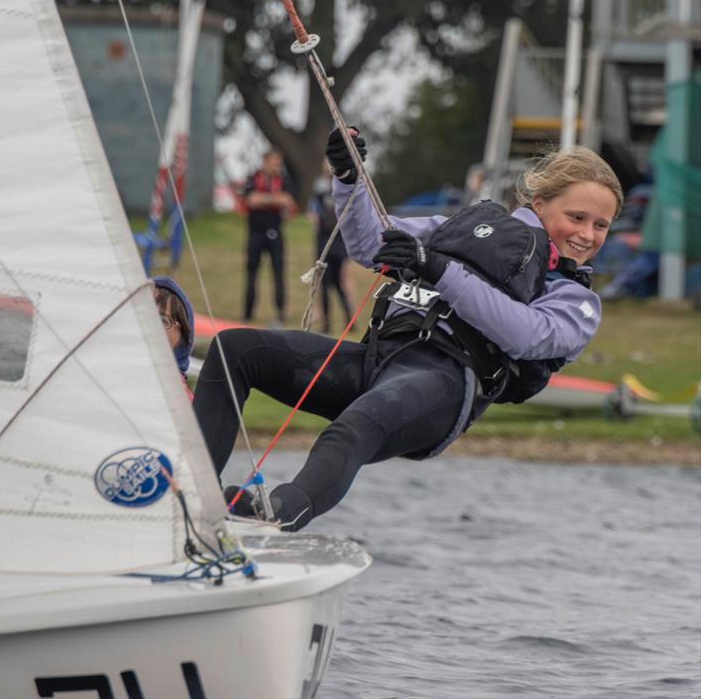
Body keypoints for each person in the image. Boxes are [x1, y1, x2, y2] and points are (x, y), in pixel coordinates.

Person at [193, 128, 622, 531]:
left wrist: (436, 268)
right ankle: (194, 500)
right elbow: (367, 243)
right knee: (236, 349)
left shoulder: (578, 302)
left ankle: (279, 513)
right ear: (540, 203)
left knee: (352, 426)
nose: (587, 235)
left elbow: (525, 335)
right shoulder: (462, 230)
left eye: (600, 225)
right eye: (577, 217)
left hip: (444, 387)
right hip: (378, 362)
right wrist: (348, 177)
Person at [241, 148, 297, 326]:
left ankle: (280, 313)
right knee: (251, 273)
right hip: (255, 233)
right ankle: (247, 313)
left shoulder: (284, 180)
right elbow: (250, 200)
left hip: (275, 232)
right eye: (274, 162)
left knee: (278, 273)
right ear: (265, 161)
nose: (277, 166)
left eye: (279, 163)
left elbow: (288, 201)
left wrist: (263, 200)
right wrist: (274, 200)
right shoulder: (253, 178)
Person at [308, 161, 354, 332]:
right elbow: (313, 213)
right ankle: (327, 323)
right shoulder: (320, 193)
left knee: (340, 282)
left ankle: (349, 320)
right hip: (324, 241)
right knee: (325, 283)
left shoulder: (344, 192)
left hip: (339, 241)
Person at [153, 275, 195, 400]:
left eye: (162, 321)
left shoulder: (182, 402)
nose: (151, 328)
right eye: (145, 317)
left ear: (182, 335)